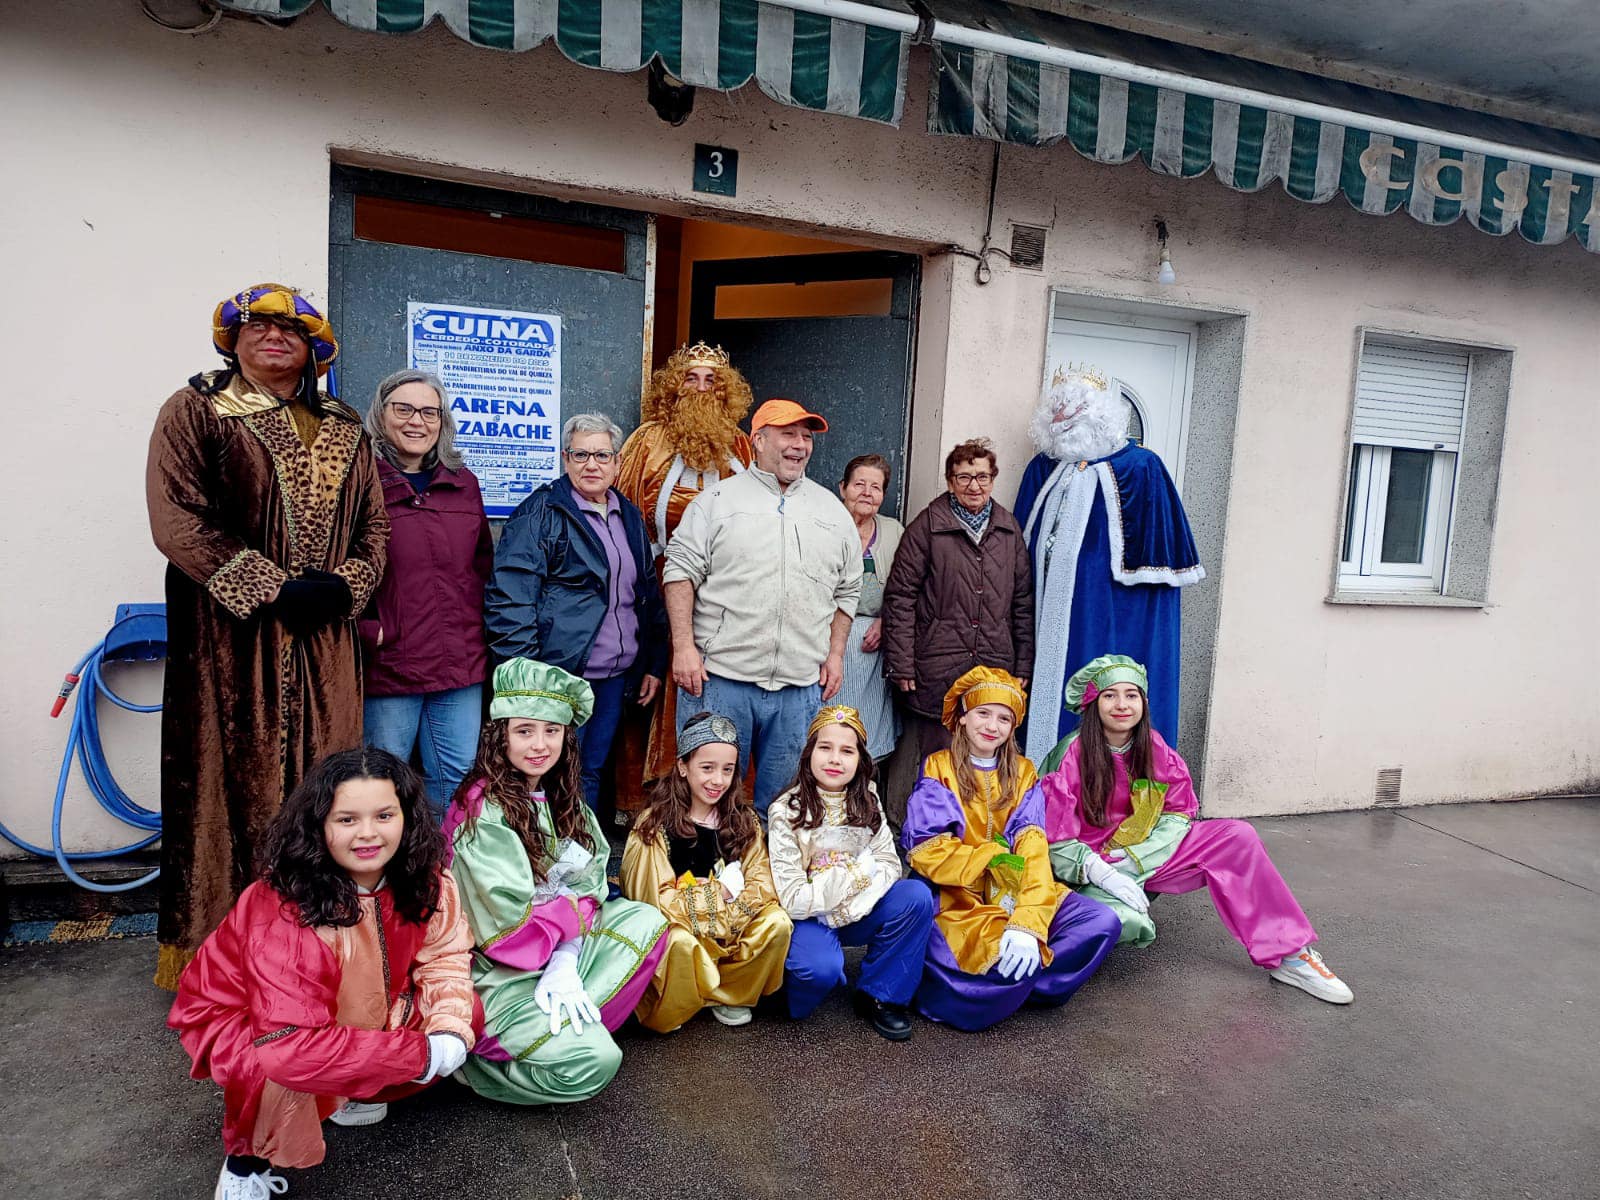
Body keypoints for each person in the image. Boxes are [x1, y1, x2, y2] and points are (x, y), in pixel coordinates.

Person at [147, 283, 388, 990]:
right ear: (234, 339)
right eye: (258, 325)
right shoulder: (197, 409)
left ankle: (321, 946)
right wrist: (268, 586)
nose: (275, 336)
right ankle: (222, 963)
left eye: (291, 328)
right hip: (231, 640)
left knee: (327, 784)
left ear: (315, 346)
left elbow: (374, 525)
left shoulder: (346, 424)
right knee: (227, 786)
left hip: (326, 644)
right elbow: (177, 517)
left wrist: (346, 584)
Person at [168, 747, 479, 1199]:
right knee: (271, 1068)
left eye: (385, 815)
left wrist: (448, 1029)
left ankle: (347, 1093)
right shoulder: (283, 906)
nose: (368, 834)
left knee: (465, 1013)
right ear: (318, 825)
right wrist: (419, 1055)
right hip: (247, 1019)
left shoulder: (426, 878)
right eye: (347, 819)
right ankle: (243, 1166)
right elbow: (287, 1044)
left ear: (407, 818)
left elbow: (445, 956)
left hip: (359, 1001)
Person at [1040, 655, 1354, 1004]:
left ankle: (1290, 954)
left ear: (1143, 702)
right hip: (1088, 871)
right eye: (1110, 695)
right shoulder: (1070, 755)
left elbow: (1178, 813)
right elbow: (1052, 839)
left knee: (1237, 837)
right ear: (1092, 703)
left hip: (1142, 859)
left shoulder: (1154, 747)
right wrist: (1102, 872)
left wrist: (1136, 859)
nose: (1122, 705)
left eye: (1132, 695)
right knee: (1124, 922)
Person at [443, 659, 669, 1105]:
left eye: (552, 730)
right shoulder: (483, 811)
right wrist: (569, 917)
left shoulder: (560, 795)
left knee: (647, 921)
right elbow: (508, 927)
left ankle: (564, 1020)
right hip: (496, 970)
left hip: (553, 946)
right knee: (598, 1064)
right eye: (525, 731)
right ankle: (487, 1065)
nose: (540, 745)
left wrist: (566, 956)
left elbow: (592, 877)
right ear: (500, 734)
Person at [663, 398, 862, 817]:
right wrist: (684, 647)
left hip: (799, 687)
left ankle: (771, 879)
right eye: (788, 433)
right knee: (706, 801)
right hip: (720, 681)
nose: (799, 445)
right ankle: (703, 879)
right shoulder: (715, 501)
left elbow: (848, 590)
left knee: (785, 807)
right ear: (758, 440)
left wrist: (836, 653)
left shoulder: (833, 512)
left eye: (806, 437)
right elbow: (679, 572)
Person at [901, 667, 1120, 1032]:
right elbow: (928, 850)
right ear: (963, 716)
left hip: (1018, 890)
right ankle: (1016, 982)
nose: (992, 725)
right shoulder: (938, 767)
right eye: (984, 713)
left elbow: (1032, 845)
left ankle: (1019, 980)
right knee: (998, 965)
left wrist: (1028, 923)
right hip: (960, 897)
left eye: (1004, 718)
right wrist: (988, 855)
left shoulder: (1023, 773)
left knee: (1101, 922)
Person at [1012, 366, 1203, 760]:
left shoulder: (1143, 469)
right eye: (1056, 410)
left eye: (1072, 408)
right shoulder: (1042, 469)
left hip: (1111, 621)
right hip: (1046, 617)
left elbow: (1159, 580)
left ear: (1098, 413)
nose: (1062, 418)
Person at [485, 414, 668, 813]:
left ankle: (582, 865)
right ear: (565, 459)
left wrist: (653, 662)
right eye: (581, 454)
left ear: (617, 462)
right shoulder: (541, 512)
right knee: (546, 775)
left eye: (602, 454)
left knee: (590, 772)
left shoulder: (629, 516)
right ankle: (540, 865)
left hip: (613, 678)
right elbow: (510, 598)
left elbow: (647, 595)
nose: (592, 464)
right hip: (559, 676)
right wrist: (529, 679)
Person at [614, 342, 756, 807]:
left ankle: (713, 795)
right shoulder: (647, 440)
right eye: (690, 378)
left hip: (726, 590)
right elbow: (622, 511)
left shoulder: (739, 445)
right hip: (654, 583)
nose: (700, 388)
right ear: (674, 388)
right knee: (648, 686)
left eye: (711, 380)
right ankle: (642, 800)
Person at [360, 369, 493, 816]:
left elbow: (482, 567)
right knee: (383, 782)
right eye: (404, 409)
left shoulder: (463, 483)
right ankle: (385, 880)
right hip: (391, 663)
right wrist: (367, 629)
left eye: (429, 411)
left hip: (459, 662)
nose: (417, 421)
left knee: (456, 780)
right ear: (381, 415)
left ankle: (444, 878)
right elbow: (333, 565)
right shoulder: (360, 483)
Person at [881, 438, 1034, 823]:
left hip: (995, 664)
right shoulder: (927, 527)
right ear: (950, 481)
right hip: (938, 665)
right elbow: (900, 597)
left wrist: (1023, 667)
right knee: (939, 759)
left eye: (982, 476)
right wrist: (902, 663)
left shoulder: (1008, 531)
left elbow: (1022, 602)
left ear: (993, 479)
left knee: (987, 755)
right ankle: (929, 835)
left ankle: (981, 833)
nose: (974, 485)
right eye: (963, 477)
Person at [767, 704, 934, 1040]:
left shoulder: (868, 799)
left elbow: (888, 864)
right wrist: (857, 872)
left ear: (860, 761)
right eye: (825, 747)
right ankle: (788, 993)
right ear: (809, 752)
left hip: (856, 909)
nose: (834, 759)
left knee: (915, 896)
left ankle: (881, 996)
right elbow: (795, 900)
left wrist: (850, 906)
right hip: (809, 918)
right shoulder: (786, 810)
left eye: (847, 751)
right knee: (820, 969)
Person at [621, 711, 793, 1031]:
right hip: (681, 931)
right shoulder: (654, 825)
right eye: (707, 768)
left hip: (727, 931)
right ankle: (675, 1001)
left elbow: (763, 885)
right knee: (677, 941)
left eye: (727, 770)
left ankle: (729, 994)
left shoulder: (743, 821)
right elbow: (658, 903)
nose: (718, 780)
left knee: (777, 922)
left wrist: (721, 915)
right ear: (683, 767)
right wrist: (721, 893)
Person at [835, 454, 904, 762]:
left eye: (875, 487)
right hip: (827, 644)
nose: (867, 492)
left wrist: (885, 620)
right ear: (842, 488)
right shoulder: (824, 525)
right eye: (859, 484)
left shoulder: (893, 531)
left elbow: (907, 587)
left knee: (869, 735)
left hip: (874, 648)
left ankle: (863, 795)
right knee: (830, 729)